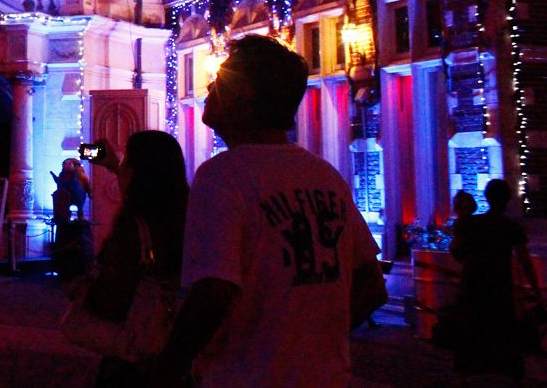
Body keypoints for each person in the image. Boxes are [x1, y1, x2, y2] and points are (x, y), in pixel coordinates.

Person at [148, 34, 387, 388]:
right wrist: (307, 340)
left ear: (246, 97)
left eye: (222, 78)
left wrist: (165, 370)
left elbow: (213, 292)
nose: (210, 86)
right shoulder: (325, 176)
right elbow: (372, 286)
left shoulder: (222, 176)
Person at [77, 131, 189, 387]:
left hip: (136, 349)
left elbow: (112, 299)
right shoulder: (187, 212)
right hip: (175, 341)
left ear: (139, 172)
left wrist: (86, 291)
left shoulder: (132, 228)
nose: (124, 167)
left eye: (128, 161)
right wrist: (116, 167)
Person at [450, 178, 543, 384]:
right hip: (499, 285)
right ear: (508, 199)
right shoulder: (511, 227)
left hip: (472, 285)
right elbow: (525, 261)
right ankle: (508, 373)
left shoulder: (472, 223)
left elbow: (456, 250)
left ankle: (465, 374)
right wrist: (536, 291)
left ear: (486, 198)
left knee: (472, 331)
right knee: (503, 330)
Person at [52, 157, 92, 279]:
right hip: (66, 202)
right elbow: (60, 187)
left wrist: (90, 192)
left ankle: (80, 215)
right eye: (64, 164)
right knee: (66, 213)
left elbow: (86, 185)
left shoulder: (80, 174)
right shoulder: (63, 175)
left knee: (79, 208)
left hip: (78, 196)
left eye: (67, 163)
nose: (65, 165)